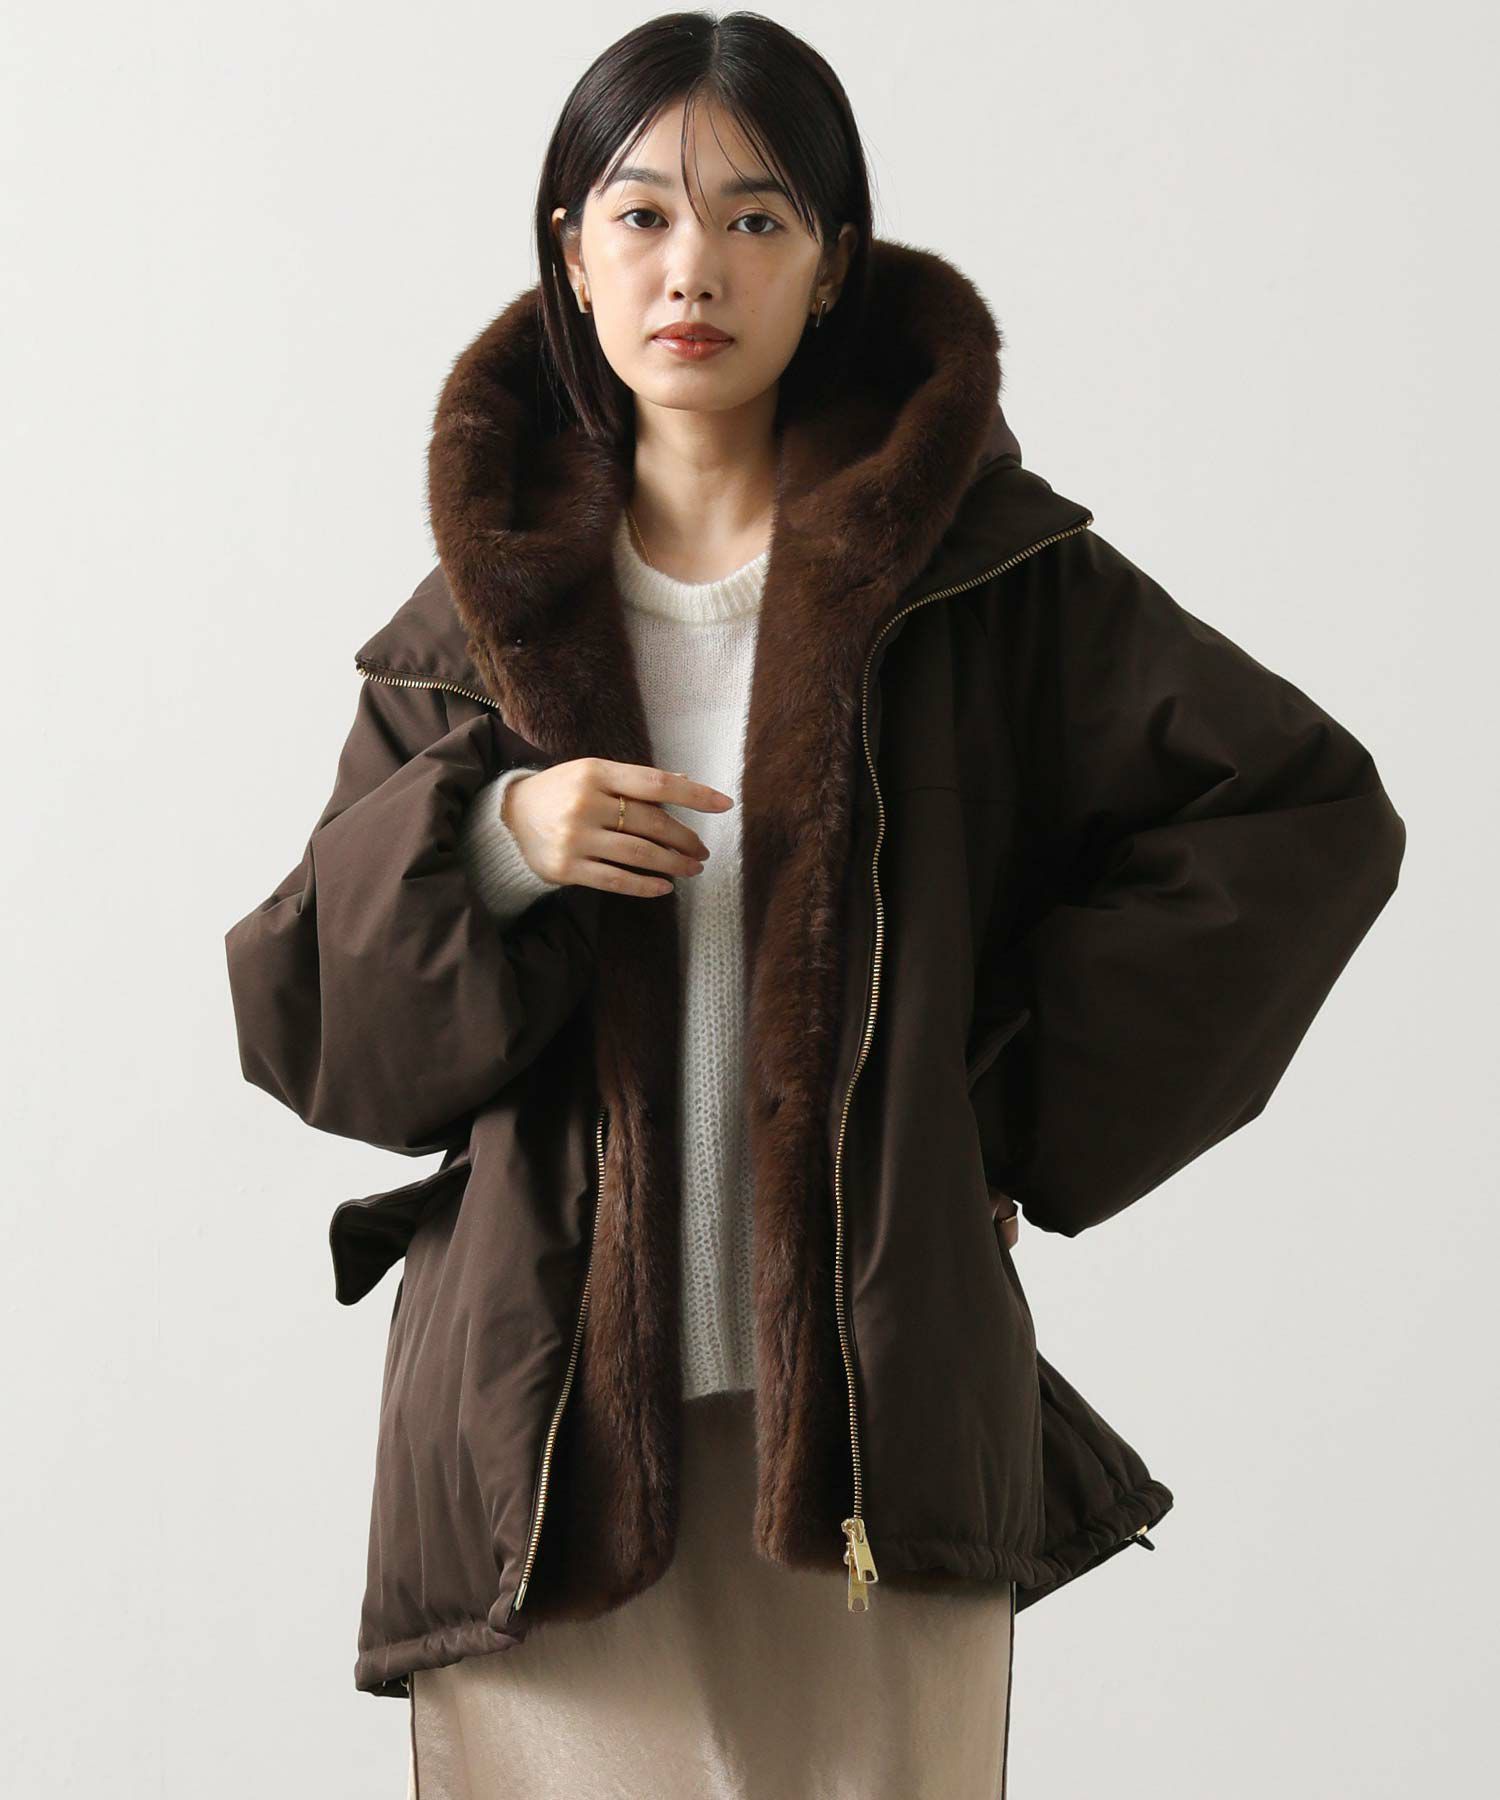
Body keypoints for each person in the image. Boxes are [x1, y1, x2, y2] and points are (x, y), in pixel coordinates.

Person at [223, 12, 1407, 1798]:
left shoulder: (981, 580)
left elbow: (1298, 815)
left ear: (834, 263)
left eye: (756, 217)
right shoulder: (478, 625)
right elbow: (317, 1023)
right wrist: (498, 841)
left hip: (873, 1423)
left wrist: (982, 1113)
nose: (692, 267)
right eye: (641, 214)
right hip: (542, 1448)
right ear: (571, 253)